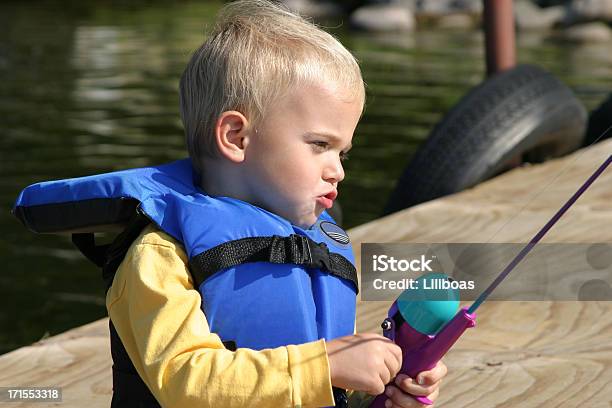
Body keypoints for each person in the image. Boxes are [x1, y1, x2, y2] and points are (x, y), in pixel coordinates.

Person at [14, 0, 447, 406]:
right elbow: (187, 381)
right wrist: (326, 365)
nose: (338, 170)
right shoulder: (160, 255)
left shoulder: (321, 247)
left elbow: (311, 387)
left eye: (342, 153)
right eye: (320, 145)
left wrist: (380, 389)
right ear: (236, 137)